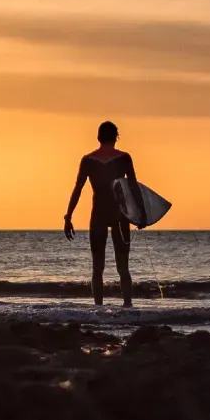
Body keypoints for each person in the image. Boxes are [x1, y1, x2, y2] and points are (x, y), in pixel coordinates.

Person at [64, 121, 137, 308]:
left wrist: (68, 216)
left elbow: (78, 190)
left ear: (98, 137)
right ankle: (127, 306)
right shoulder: (124, 158)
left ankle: (98, 308)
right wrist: (141, 214)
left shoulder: (88, 160)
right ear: (115, 137)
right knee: (123, 267)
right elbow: (134, 188)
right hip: (121, 215)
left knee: (97, 268)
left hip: (98, 215)